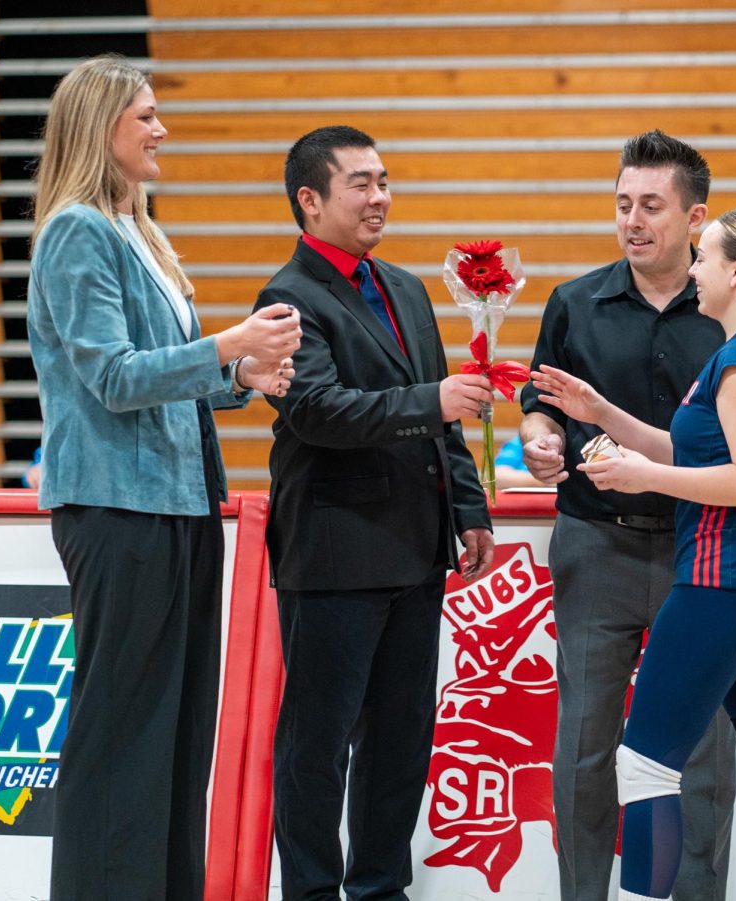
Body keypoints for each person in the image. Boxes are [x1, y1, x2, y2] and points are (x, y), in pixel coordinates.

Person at [26, 55, 301, 900]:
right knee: (123, 733)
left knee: (179, 729)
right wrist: (229, 345)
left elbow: (159, 374)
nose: (161, 129)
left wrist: (236, 380)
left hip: (177, 504)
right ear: (100, 124)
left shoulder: (139, 231)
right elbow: (112, 376)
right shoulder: (77, 231)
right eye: (145, 115)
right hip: (114, 504)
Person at [531, 208, 736, 901]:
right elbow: (695, 452)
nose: (693, 271)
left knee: (644, 769)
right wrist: (600, 410)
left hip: (722, 582)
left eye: (703, 258)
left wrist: (644, 479)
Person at [256, 125, 495, 901]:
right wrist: (432, 401)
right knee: (316, 749)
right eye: (360, 183)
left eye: (384, 180)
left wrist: (469, 508)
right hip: (333, 556)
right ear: (310, 199)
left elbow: (445, 421)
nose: (379, 197)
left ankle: (382, 889)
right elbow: (316, 411)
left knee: (400, 746)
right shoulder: (287, 299)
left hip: (414, 553)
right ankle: (313, 892)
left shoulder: (405, 287)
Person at [519, 129, 736, 901]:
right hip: (594, 548)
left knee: (705, 752)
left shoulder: (732, 314)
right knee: (583, 749)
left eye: (651, 205)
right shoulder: (574, 301)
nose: (632, 220)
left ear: (694, 216)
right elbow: (536, 413)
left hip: (701, 550)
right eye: (622, 204)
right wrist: (540, 443)